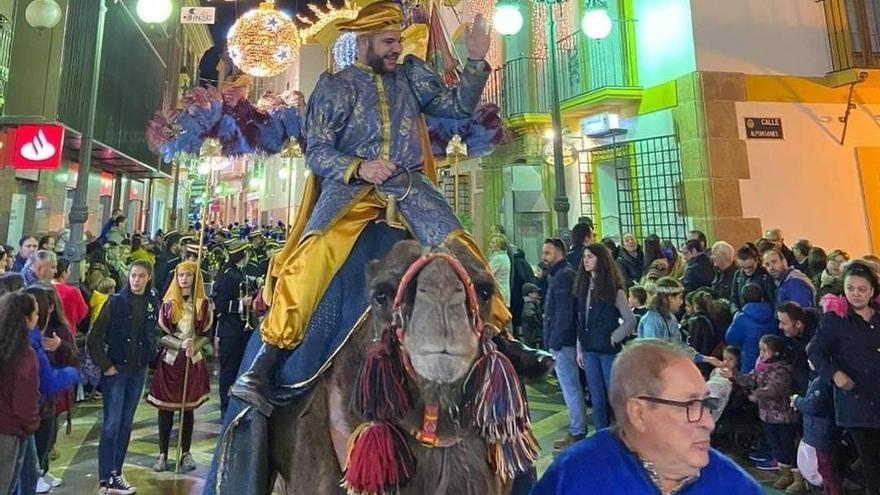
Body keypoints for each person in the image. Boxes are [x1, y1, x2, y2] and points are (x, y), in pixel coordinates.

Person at [229, 2, 510, 419]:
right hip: (351, 195)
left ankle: (500, 337)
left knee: (462, 247)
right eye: (389, 41)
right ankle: (265, 360)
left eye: (399, 40)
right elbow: (318, 152)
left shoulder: (412, 77)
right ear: (364, 42)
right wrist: (360, 167)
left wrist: (474, 60)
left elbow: (456, 107)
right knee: (310, 261)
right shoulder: (334, 86)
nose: (398, 48)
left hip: (411, 189)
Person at [532, 339, 762, 495]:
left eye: (705, 403)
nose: (709, 422)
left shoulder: (733, 485)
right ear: (638, 413)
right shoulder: (575, 475)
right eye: (690, 405)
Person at [808, 259, 880, 495]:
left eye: (862, 289)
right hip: (857, 403)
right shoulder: (834, 320)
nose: (856, 294)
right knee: (871, 464)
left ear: (872, 291)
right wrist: (835, 374)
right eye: (850, 288)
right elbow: (815, 351)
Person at [88, 261, 159, 495]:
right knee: (111, 424)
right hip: (116, 371)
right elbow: (94, 339)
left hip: (137, 371)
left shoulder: (151, 303)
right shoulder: (115, 302)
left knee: (126, 423)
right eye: (133, 276)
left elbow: (152, 334)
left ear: (148, 278)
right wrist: (106, 366)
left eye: (141, 276)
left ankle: (116, 473)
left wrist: (152, 356)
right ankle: (104, 478)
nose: (136, 280)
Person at [147, 261, 213, 473]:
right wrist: (179, 343)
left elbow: (206, 333)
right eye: (181, 275)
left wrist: (195, 344)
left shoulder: (203, 304)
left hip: (192, 360)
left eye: (188, 275)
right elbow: (159, 333)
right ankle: (162, 453)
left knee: (188, 409)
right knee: (165, 409)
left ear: (195, 278)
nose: (184, 279)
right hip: (171, 361)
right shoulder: (167, 302)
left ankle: (185, 452)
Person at [722, 335, 803, 493]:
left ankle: (798, 477)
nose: (761, 353)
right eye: (761, 349)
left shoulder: (781, 370)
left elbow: (774, 390)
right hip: (767, 415)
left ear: (776, 353)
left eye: (765, 350)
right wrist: (734, 375)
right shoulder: (761, 367)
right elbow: (750, 379)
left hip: (783, 416)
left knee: (787, 445)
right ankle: (785, 473)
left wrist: (756, 394)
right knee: (775, 445)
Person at [574, 243, 635, 431]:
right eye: (584, 257)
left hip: (607, 350)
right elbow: (581, 318)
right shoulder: (583, 289)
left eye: (590, 257)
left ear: (600, 260)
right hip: (589, 348)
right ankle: (602, 433)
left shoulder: (614, 291)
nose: (586, 261)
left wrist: (614, 337)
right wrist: (579, 348)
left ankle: (622, 430)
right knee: (596, 396)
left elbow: (629, 319)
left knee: (612, 392)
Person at [24, 285, 78, 493]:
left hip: (50, 399)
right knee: (34, 444)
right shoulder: (28, 339)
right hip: (33, 402)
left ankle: (42, 470)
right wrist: (70, 374)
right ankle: (36, 474)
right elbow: (48, 379)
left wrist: (61, 347)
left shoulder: (59, 330)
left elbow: (72, 356)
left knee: (48, 436)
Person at [541, 238, 583, 449]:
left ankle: (577, 431)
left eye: (547, 253)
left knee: (570, 387)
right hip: (563, 341)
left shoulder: (563, 276)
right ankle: (577, 428)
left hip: (563, 342)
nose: (544, 257)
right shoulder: (561, 274)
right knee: (570, 386)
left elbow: (564, 313)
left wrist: (555, 342)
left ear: (559, 253)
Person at [0, 292, 42, 495]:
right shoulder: (25, 355)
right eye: (36, 314)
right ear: (26, 319)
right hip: (8, 431)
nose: (38, 318)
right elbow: (24, 403)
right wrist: (32, 424)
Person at [212, 240, 254, 415]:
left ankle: (235, 402)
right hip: (230, 330)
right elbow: (219, 304)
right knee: (228, 370)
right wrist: (241, 304)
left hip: (242, 330)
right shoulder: (228, 275)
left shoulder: (239, 273)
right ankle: (225, 405)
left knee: (239, 368)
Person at [791, 370, 842, 495]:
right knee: (824, 470)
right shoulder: (816, 379)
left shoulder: (822, 382)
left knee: (828, 470)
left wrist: (797, 400)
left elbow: (813, 406)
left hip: (822, 434)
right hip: (818, 433)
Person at [725, 283, 779, 373]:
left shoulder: (742, 318)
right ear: (761, 297)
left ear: (743, 300)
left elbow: (730, 338)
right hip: (772, 363)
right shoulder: (772, 315)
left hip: (749, 363)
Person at [776, 302, 818, 395]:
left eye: (783, 323)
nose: (780, 326)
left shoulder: (818, 339)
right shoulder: (792, 335)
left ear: (798, 324)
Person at [730, 244, 776, 312]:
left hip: (763, 316)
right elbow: (734, 298)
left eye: (750, 267)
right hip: (743, 315)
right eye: (743, 267)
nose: (747, 271)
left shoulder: (765, 275)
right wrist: (735, 312)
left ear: (756, 260)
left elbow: (773, 300)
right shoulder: (738, 274)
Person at [637, 277, 684, 342]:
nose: (681, 302)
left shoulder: (672, 318)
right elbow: (652, 349)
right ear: (670, 298)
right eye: (680, 297)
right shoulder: (652, 321)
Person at [51, 257, 89, 336]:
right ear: (64, 272)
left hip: (48, 334)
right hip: (67, 333)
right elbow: (82, 313)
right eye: (69, 270)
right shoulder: (73, 292)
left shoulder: (43, 288)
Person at [705, 346, 741, 421]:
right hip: (708, 388)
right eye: (725, 359)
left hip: (721, 389)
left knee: (716, 393)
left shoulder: (735, 374)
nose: (727, 362)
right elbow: (711, 378)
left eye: (731, 359)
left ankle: (709, 414)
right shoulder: (717, 370)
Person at [488, 234, 512, 307]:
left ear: (499, 245)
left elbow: (488, 273)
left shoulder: (498, 258)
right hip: (503, 293)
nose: (490, 244)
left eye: (493, 243)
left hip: (499, 294)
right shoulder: (504, 256)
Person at [520, 282, 542, 349]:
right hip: (532, 334)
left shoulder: (530, 304)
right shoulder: (529, 305)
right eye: (535, 293)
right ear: (530, 294)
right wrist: (539, 323)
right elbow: (530, 316)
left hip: (530, 334)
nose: (538, 295)